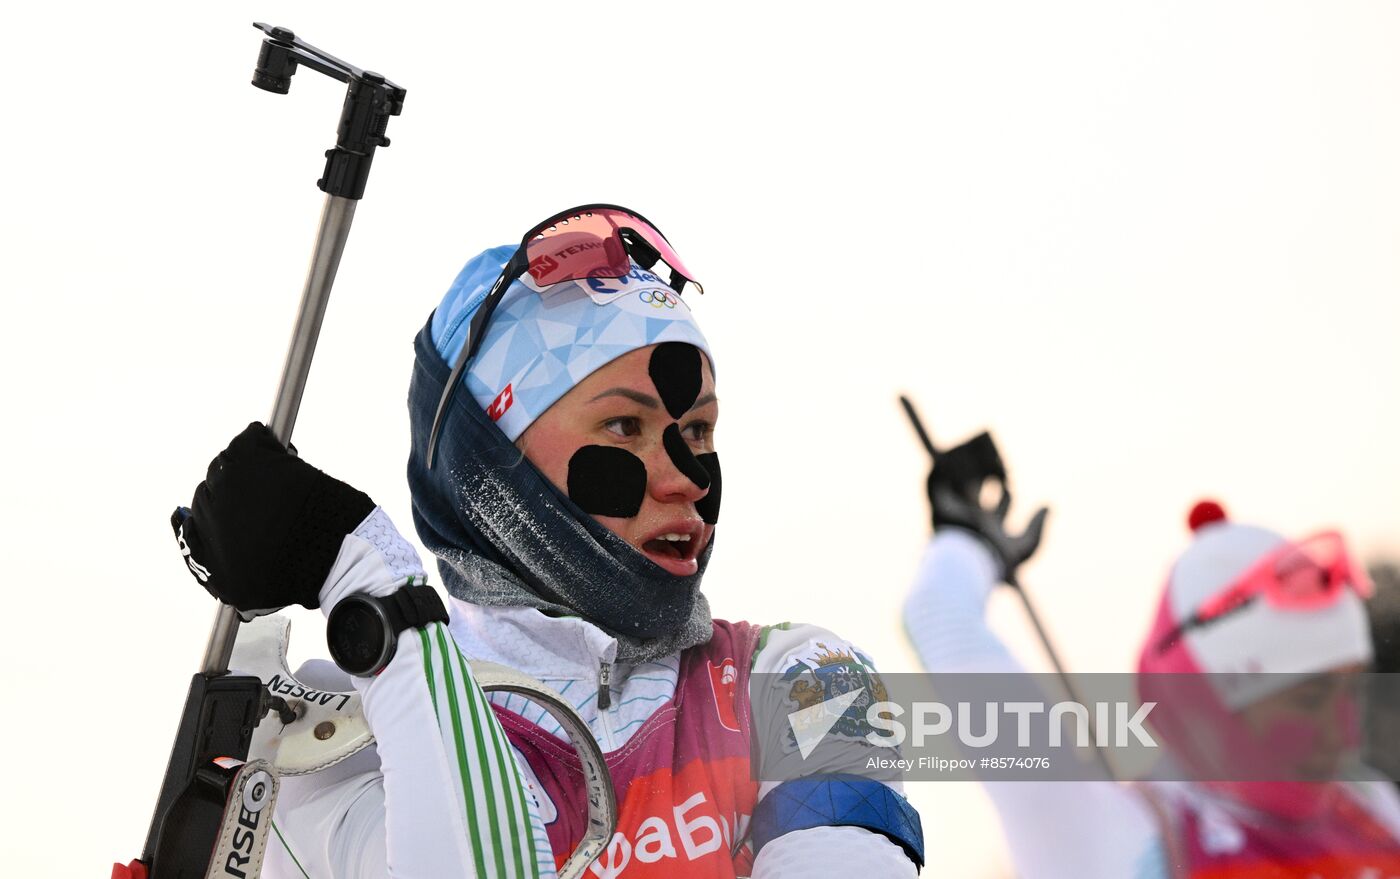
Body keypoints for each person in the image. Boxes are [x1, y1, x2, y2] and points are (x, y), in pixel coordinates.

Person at [177, 205, 924, 878]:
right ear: (490, 470)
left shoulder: (804, 681)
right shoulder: (345, 730)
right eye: (625, 427)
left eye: (697, 430)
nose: (686, 478)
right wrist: (379, 603)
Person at [901, 431, 1400, 878]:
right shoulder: (1115, 839)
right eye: (1309, 698)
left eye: (1351, 690)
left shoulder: (1375, 811)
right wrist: (964, 546)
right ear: (1209, 703)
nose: (1346, 731)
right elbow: (941, 620)